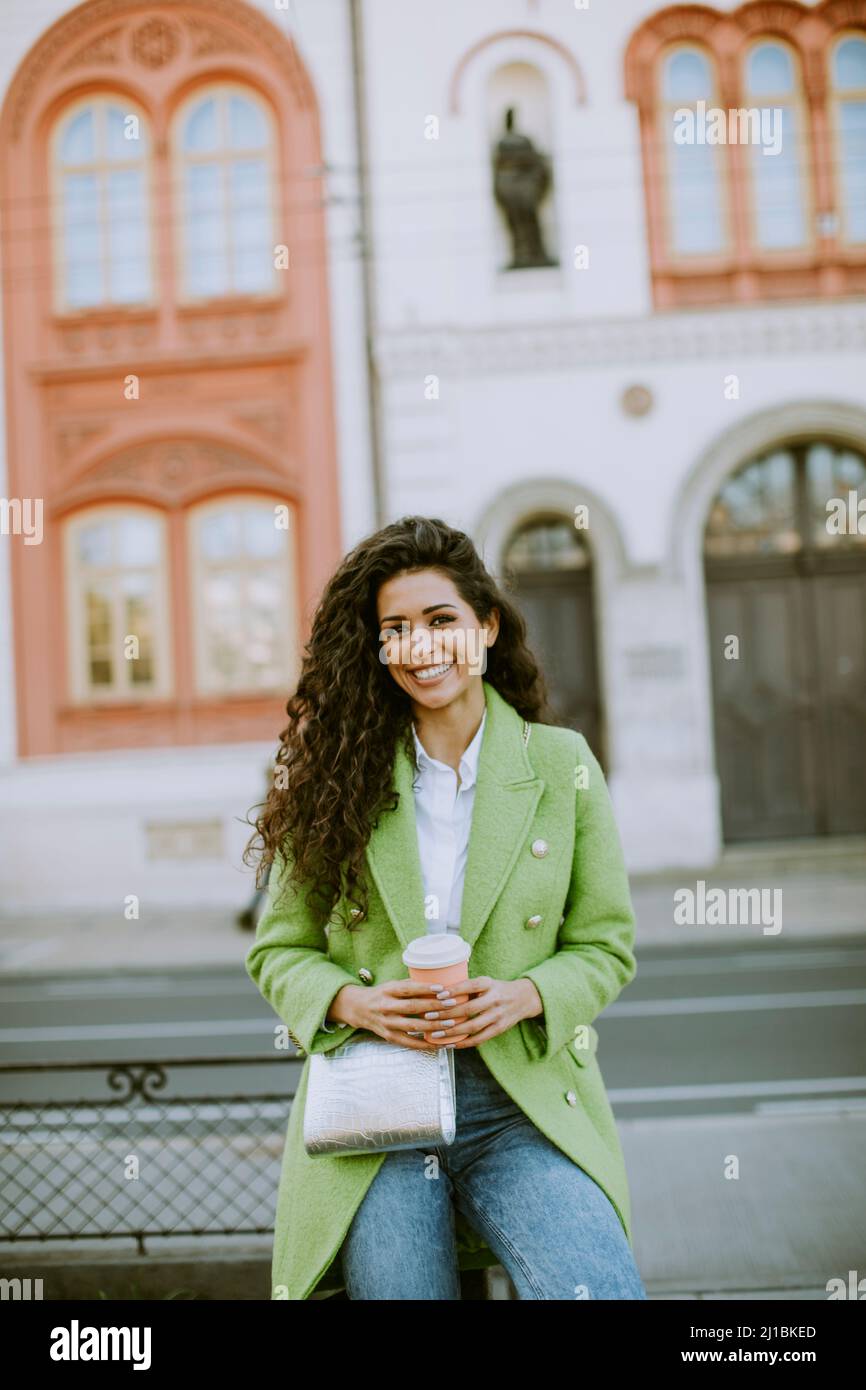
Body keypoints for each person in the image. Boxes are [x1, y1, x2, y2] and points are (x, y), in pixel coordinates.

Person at [244, 515, 647, 1300]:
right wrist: (354, 1001)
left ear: (486, 627)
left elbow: (606, 945)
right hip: (379, 1105)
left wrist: (525, 994)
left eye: (440, 620)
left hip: (518, 1103)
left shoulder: (561, 765)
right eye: (396, 628)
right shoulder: (337, 777)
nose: (420, 645)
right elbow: (278, 949)